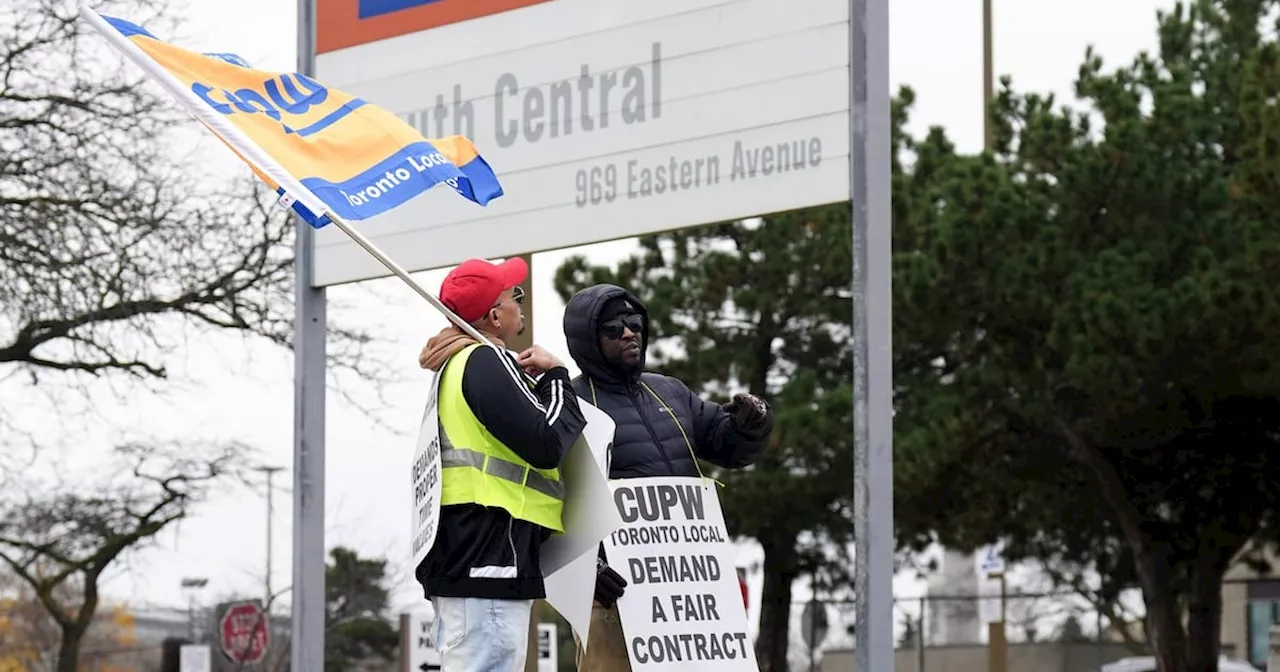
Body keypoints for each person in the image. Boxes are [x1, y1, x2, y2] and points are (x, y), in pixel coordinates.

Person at [562, 283, 775, 670]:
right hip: (614, 597)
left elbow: (727, 445)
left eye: (634, 323)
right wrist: (584, 568)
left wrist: (751, 424)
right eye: (612, 329)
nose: (629, 333)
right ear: (588, 342)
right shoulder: (571, 405)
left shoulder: (670, 392)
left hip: (686, 593)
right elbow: (549, 496)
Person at [415, 257, 587, 672]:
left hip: (472, 561)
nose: (520, 306)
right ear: (494, 315)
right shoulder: (485, 361)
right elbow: (548, 443)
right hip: (488, 563)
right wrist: (558, 377)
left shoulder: (454, 368)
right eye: (515, 297)